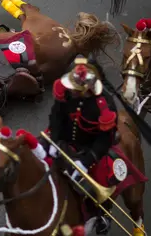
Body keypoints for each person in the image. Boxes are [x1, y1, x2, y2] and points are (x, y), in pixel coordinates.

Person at [46, 55, 118, 235]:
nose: (73, 92)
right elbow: (57, 116)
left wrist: (86, 162)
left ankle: (103, 214)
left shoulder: (105, 105)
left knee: (101, 179)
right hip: (63, 141)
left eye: (78, 90)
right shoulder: (67, 91)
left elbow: (104, 140)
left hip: (89, 148)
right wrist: (54, 141)